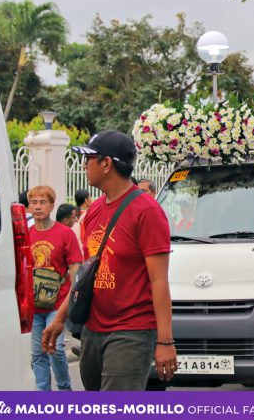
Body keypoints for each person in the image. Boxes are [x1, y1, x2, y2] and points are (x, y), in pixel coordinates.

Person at [42, 130, 177, 391]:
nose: (84, 165)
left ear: (106, 164)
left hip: (131, 332)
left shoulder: (147, 211)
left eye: (89, 158)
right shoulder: (93, 210)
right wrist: (60, 318)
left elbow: (159, 281)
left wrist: (165, 342)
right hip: (93, 329)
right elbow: (86, 273)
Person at [28, 186, 83, 391]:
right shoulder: (26, 234)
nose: (38, 207)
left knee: (56, 349)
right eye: (34, 202)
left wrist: (73, 298)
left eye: (43, 202)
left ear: (51, 206)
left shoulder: (65, 234)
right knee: (37, 353)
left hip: (57, 303)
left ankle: (64, 390)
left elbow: (74, 269)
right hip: (34, 306)